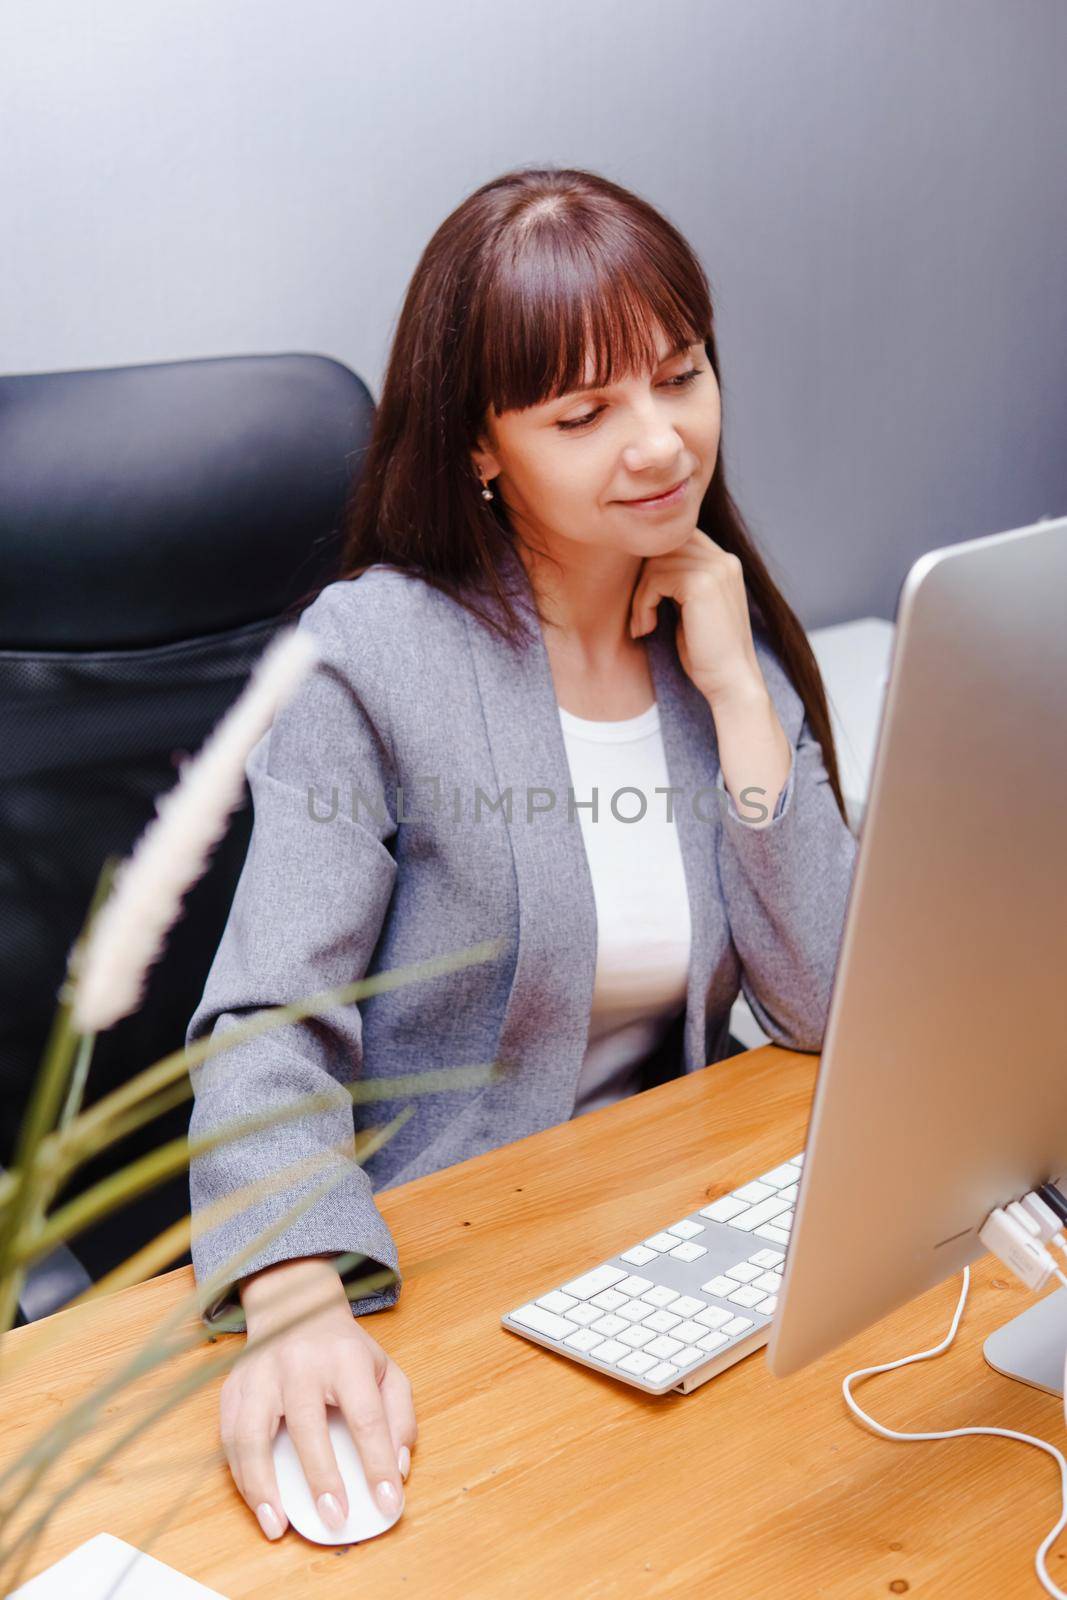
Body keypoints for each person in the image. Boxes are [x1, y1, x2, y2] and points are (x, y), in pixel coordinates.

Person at [185, 165, 859, 1543]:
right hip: (441, 1267)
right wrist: (298, 1296)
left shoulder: (709, 627)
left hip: (660, 1241)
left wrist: (739, 696)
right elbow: (263, 1022)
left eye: (680, 376)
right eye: (584, 412)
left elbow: (833, 1003)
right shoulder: (369, 659)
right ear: (482, 448)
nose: (663, 443)